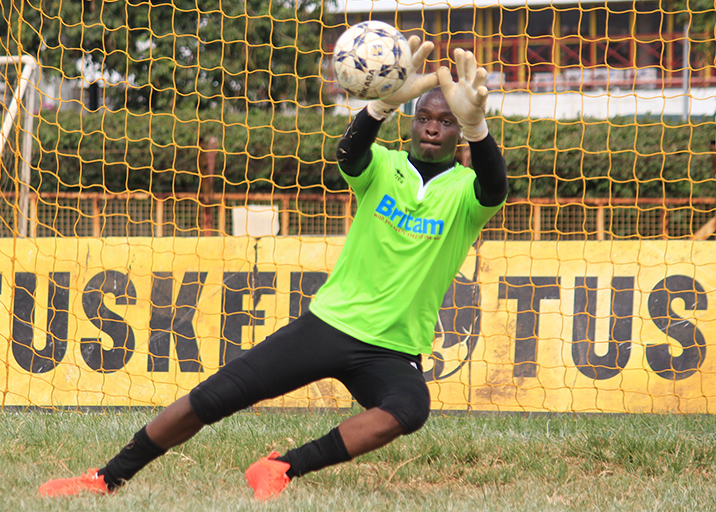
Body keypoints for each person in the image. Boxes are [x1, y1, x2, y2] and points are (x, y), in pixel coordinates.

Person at [38, 38, 508, 501]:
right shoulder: (382, 167)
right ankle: (105, 478)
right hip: (330, 325)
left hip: (391, 349)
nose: (432, 127)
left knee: (409, 409)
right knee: (213, 398)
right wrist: (379, 107)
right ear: (410, 123)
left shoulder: (467, 195)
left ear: (456, 133)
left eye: (446, 122)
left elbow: (494, 186)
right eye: (424, 117)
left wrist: (478, 128)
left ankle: (281, 467)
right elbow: (349, 154)